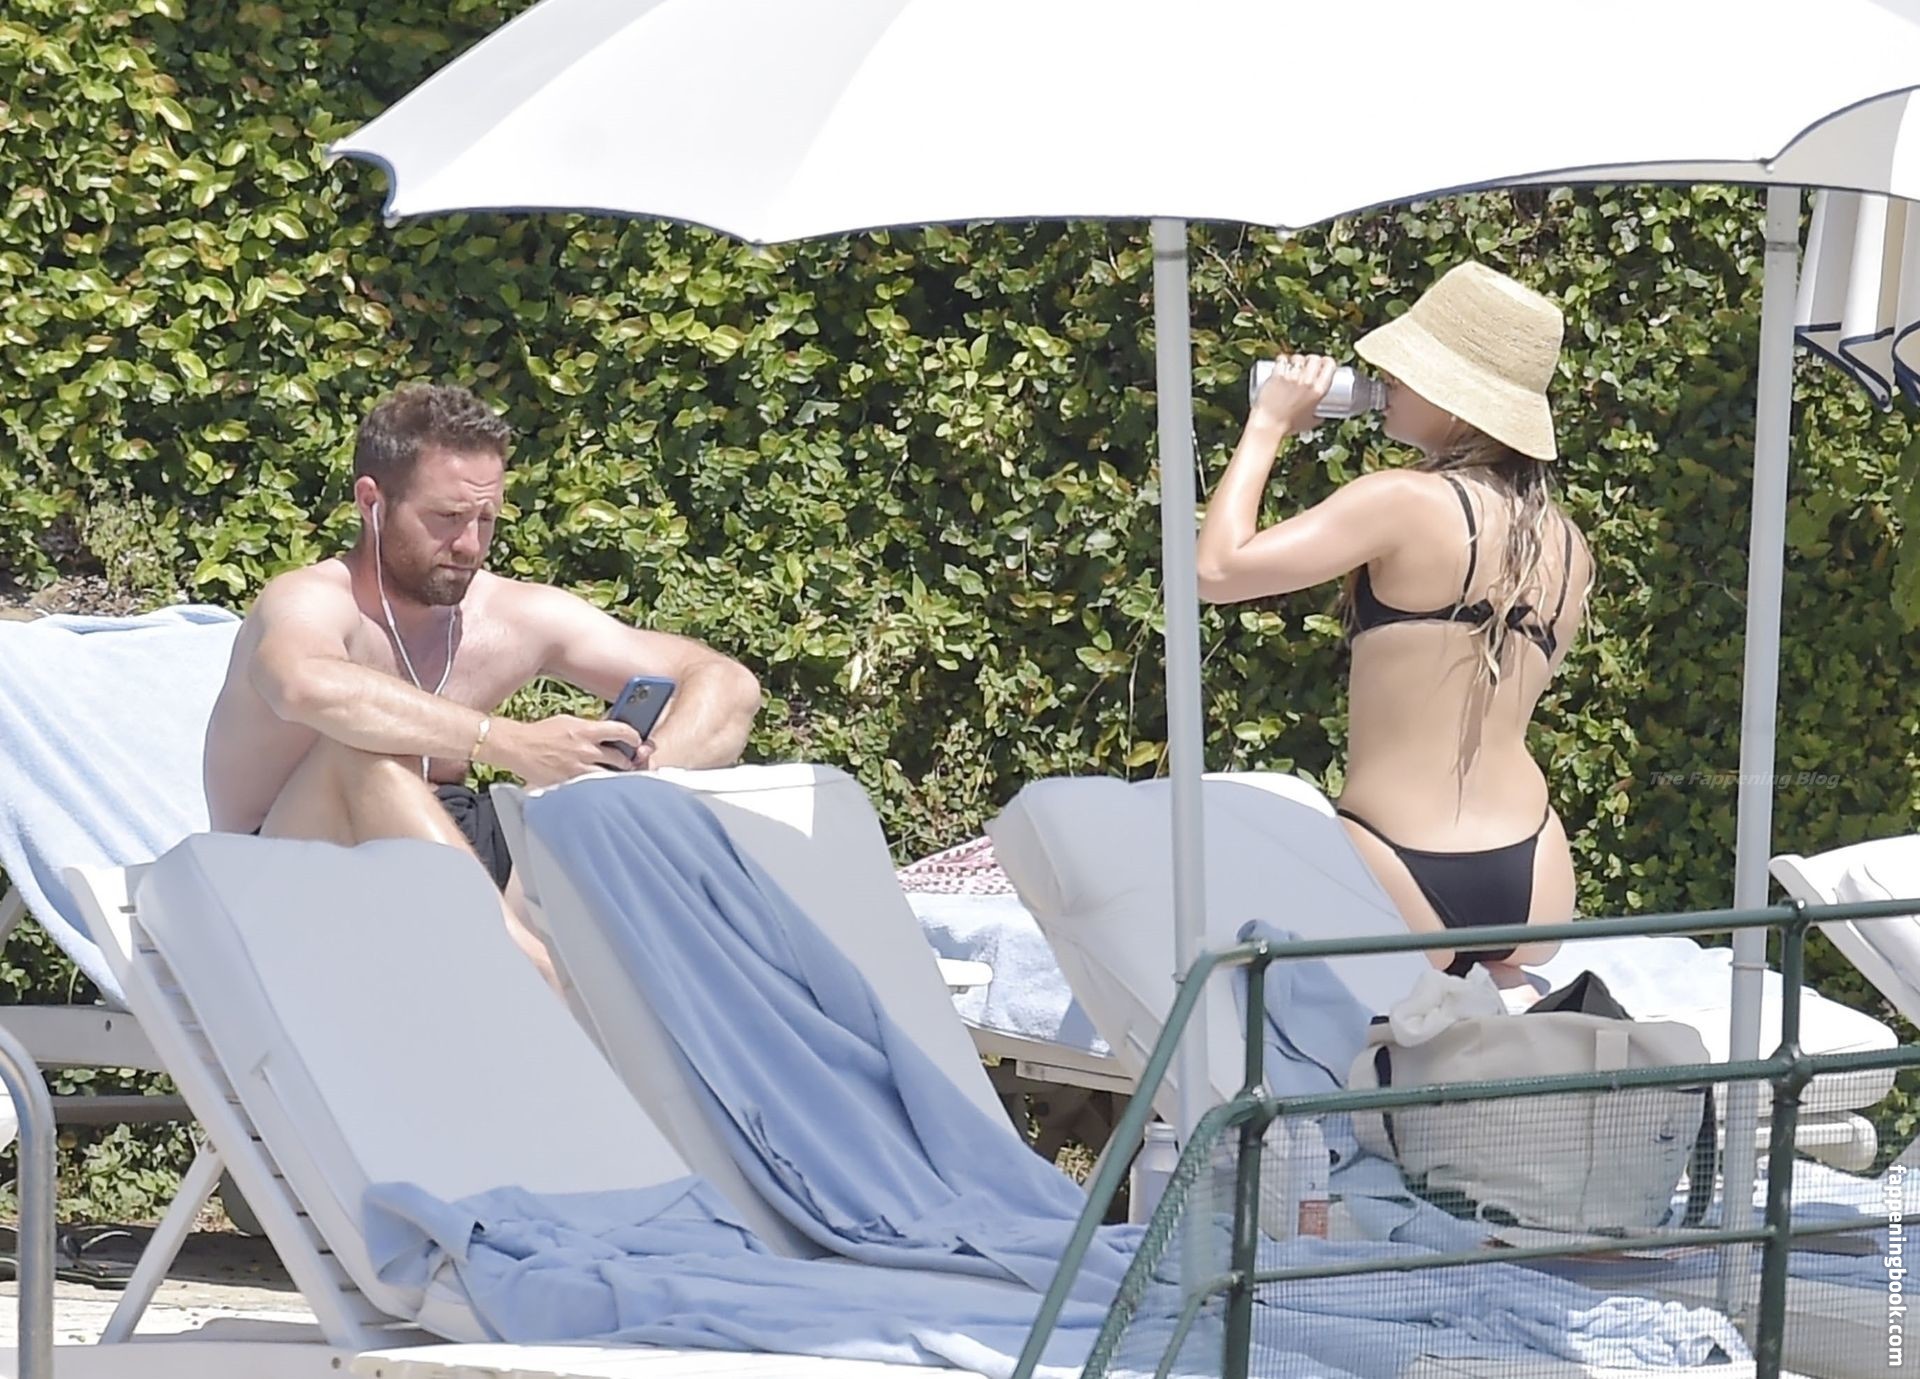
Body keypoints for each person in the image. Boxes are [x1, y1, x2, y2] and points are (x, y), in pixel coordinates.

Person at [203, 383, 763, 983]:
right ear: (372, 502)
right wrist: (507, 743)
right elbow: (302, 684)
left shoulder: (507, 615)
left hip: (453, 858)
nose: (470, 545)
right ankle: (535, 980)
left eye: (486, 519)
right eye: (447, 518)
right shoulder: (312, 599)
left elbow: (725, 684)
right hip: (294, 883)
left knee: (582, 803)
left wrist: (628, 783)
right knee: (359, 750)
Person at [1195, 262, 1593, 985]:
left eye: (1407, 370)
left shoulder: (1402, 501)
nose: (1386, 378)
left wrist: (1268, 425)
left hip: (1395, 860)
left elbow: (1217, 571)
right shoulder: (1569, 545)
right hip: (1535, 872)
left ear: (1457, 399)